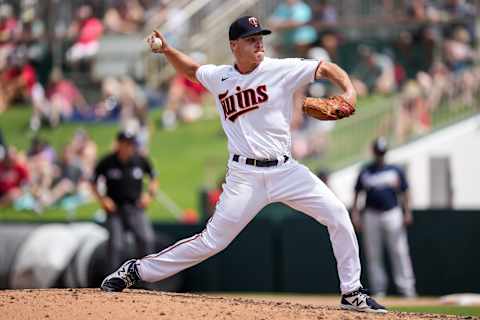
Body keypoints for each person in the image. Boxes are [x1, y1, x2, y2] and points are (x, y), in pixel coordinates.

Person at [102, 16, 387, 313]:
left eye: (260, 37)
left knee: (338, 213)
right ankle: (136, 270)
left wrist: (349, 91)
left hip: (285, 170)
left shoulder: (280, 69)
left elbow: (326, 68)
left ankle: (352, 291)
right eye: (251, 39)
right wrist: (169, 50)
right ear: (234, 45)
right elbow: (191, 70)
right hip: (244, 176)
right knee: (211, 241)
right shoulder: (220, 76)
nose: (259, 42)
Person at [351, 137, 417, 298]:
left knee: (399, 252)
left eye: (382, 152)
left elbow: (405, 191)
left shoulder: (395, 169)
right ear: (374, 152)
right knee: (373, 253)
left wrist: (407, 211)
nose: (380, 155)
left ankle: (407, 289)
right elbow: (357, 193)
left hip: (392, 212)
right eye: (378, 152)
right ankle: (379, 289)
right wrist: (355, 213)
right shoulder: (366, 170)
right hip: (371, 214)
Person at [91, 131, 158, 272]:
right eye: (125, 144)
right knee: (116, 244)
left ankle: (146, 279)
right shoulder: (107, 162)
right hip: (115, 209)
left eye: (130, 144)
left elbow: (153, 177)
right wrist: (103, 200)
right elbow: (92, 181)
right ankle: (112, 279)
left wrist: (149, 195)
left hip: (136, 208)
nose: (128, 147)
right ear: (118, 144)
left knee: (146, 239)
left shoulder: (140, 160)